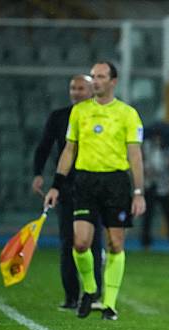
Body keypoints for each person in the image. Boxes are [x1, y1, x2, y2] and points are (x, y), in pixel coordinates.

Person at [44, 61, 146, 321]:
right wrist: (56, 185)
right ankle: (89, 290)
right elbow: (69, 150)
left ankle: (109, 304)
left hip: (116, 183)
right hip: (85, 182)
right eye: (93, 76)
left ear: (113, 81)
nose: (96, 81)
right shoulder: (80, 112)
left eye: (101, 76)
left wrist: (138, 192)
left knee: (115, 244)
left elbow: (135, 155)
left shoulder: (127, 114)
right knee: (80, 243)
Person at [31, 74, 103, 311]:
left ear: (92, 90)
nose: (76, 92)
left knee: (93, 241)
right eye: (73, 88)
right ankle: (71, 296)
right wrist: (38, 173)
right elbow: (44, 146)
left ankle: (94, 294)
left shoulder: (101, 116)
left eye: (81, 88)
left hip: (93, 185)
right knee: (68, 241)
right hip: (67, 186)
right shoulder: (59, 117)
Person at [140, 131, 169, 251]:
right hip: (150, 185)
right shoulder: (147, 146)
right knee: (148, 215)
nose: (158, 139)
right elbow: (141, 162)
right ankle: (146, 242)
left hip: (165, 186)